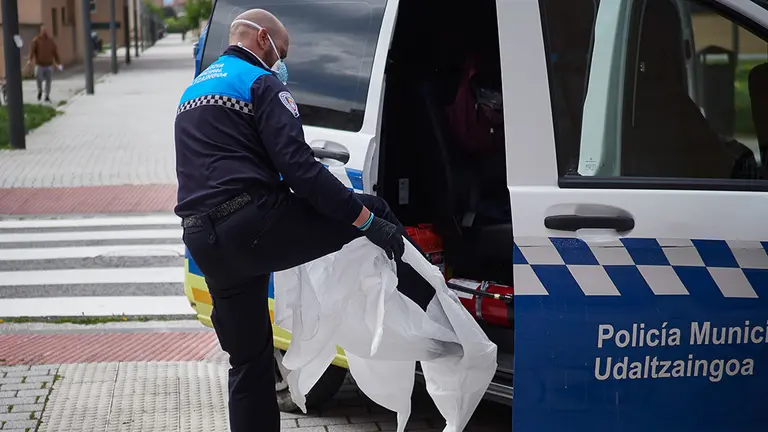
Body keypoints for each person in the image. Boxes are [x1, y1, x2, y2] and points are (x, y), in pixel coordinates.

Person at [174, 9, 435, 432]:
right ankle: (436, 318)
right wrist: (365, 221)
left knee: (249, 361)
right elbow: (300, 171)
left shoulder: (193, 90)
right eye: (283, 51)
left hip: (204, 240)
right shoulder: (261, 83)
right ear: (263, 38)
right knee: (377, 213)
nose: (282, 62)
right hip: (252, 224)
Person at [27, 26, 61, 103]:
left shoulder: (50, 41)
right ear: (40, 32)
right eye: (43, 31)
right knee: (38, 77)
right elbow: (32, 51)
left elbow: (55, 53)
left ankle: (47, 96)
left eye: (46, 31)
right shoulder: (36, 41)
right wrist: (30, 60)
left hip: (49, 65)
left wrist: (58, 63)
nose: (45, 32)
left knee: (48, 81)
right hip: (39, 65)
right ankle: (40, 90)